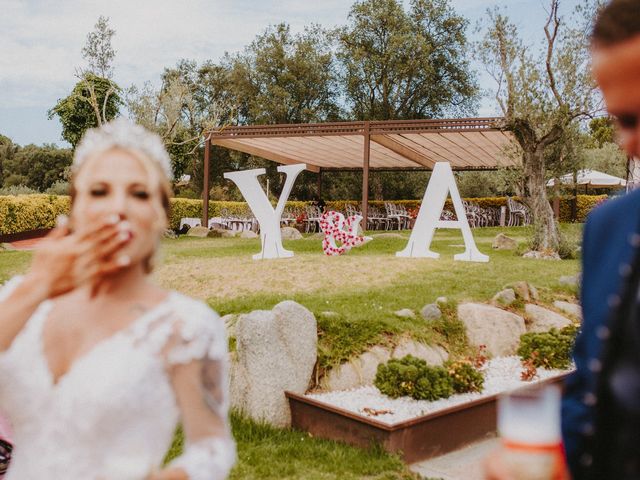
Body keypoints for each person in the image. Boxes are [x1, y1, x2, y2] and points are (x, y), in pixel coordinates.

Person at [0, 119, 235, 479]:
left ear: (160, 215)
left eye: (139, 193)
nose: (119, 207)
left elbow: (212, 448)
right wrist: (35, 287)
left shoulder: (184, 326)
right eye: (99, 191)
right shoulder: (20, 300)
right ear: (75, 208)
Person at [485, 1, 640, 479]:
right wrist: (555, 461)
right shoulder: (608, 228)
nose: (628, 143)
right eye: (620, 119)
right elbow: (594, 386)